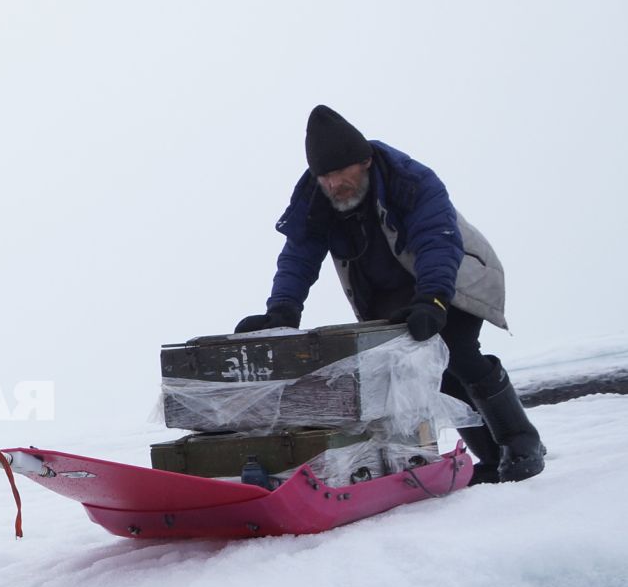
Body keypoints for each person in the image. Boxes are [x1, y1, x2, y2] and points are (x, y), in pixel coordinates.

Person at [233, 105, 544, 484]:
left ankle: (523, 443)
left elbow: (437, 242)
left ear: (363, 161)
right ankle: (494, 459)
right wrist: (282, 309)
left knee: (458, 352)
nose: (332, 185)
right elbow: (299, 254)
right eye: (324, 176)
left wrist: (432, 299)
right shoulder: (316, 197)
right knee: (436, 373)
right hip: (390, 296)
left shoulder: (410, 179)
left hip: (452, 279)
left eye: (338, 174)